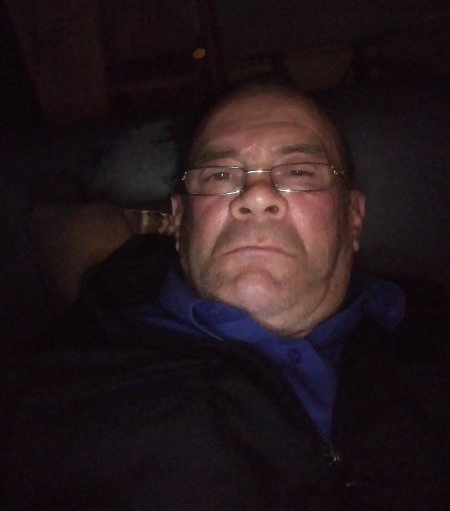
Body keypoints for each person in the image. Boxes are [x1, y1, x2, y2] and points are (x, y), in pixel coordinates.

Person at [2, 80, 450, 510]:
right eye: (220, 174)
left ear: (353, 216)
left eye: (298, 171)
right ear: (180, 219)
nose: (256, 195)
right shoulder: (57, 397)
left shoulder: (431, 329)